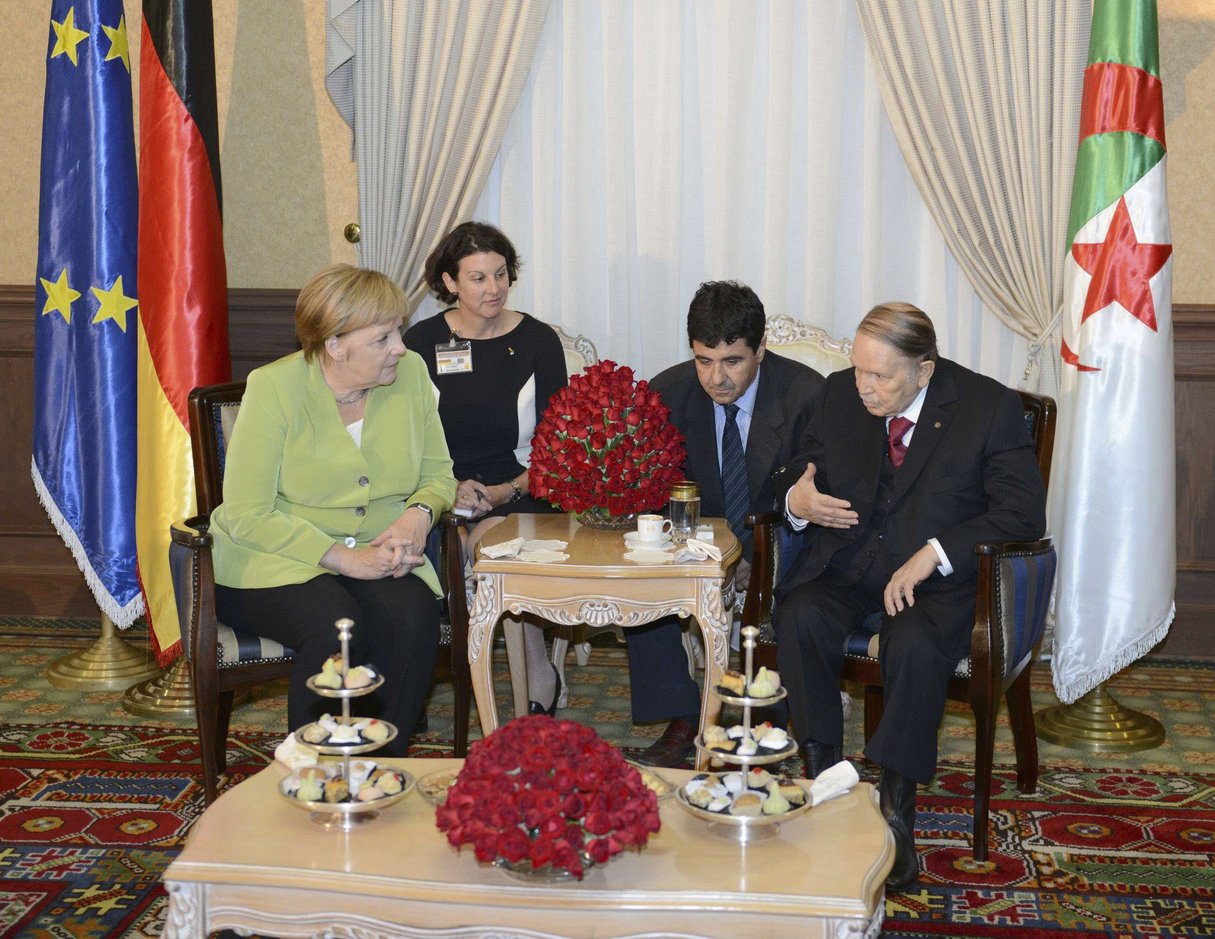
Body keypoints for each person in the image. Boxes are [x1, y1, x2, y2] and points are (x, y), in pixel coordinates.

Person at [773, 301, 1046, 891]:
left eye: (882, 377)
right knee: (800, 614)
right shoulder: (840, 393)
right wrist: (799, 499)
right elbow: (798, 466)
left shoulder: (987, 408)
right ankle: (824, 777)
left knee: (915, 642)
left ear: (925, 371)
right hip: (850, 563)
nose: (864, 388)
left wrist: (937, 550)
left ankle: (897, 808)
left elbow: (1023, 512)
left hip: (939, 583)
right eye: (859, 371)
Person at [210, 264, 457, 755]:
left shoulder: (410, 376)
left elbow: (439, 474)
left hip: (378, 549)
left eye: (399, 332)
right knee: (336, 626)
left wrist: (417, 516)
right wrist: (346, 559)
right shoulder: (274, 387)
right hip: (272, 559)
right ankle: (316, 770)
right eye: (383, 337)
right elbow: (245, 512)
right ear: (334, 344)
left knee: (413, 615)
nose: (400, 348)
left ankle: (380, 765)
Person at [626, 280, 824, 767]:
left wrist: (751, 557)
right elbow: (652, 491)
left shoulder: (806, 396)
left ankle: (769, 708)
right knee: (637, 576)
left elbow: (807, 500)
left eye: (732, 361)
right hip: (696, 546)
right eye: (703, 360)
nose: (716, 378)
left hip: (781, 543)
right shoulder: (667, 394)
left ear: (760, 348)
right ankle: (683, 714)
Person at [404, 221, 569, 715]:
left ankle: (536, 672)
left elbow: (557, 443)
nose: (493, 288)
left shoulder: (538, 340)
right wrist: (447, 489)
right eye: (478, 278)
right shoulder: (419, 343)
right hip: (437, 488)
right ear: (450, 283)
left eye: (500, 274)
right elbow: (402, 436)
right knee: (446, 547)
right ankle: (445, 668)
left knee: (499, 552)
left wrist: (502, 491)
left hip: (521, 488)